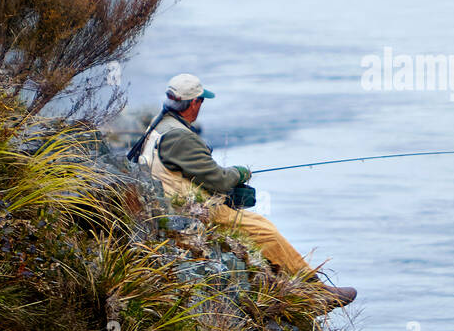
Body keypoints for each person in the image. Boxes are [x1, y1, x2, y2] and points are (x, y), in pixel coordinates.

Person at [134, 73, 356, 309]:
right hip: (184, 210)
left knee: (258, 225)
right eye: (201, 101)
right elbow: (219, 180)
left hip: (163, 201)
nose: (201, 106)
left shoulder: (159, 125)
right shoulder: (181, 137)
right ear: (194, 103)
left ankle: (296, 287)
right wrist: (240, 173)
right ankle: (316, 292)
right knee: (265, 231)